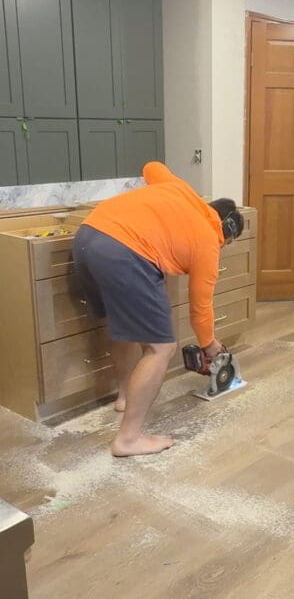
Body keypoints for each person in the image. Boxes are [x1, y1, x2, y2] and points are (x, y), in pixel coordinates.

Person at [72, 161, 244, 457]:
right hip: (124, 252)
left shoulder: (181, 190)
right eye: (228, 243)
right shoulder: (208, 242)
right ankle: (128, 439)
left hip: (88, 237)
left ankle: (125, 396)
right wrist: (210, 346)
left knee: (121, 325)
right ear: (226, 231)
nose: (224, 247)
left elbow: (151, 167)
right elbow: (200, 308)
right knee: (161, 348)